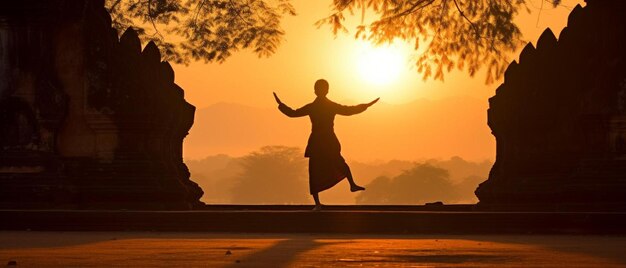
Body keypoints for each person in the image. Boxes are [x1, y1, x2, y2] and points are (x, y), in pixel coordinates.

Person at [273, 79, 379, 211]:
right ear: (325, 90)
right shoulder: (325, 106)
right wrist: (366, 105)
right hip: (324, 140)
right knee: (333, 164)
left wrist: (280, 104)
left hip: (321, 141)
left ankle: (329, 197)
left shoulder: (315, 107)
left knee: (318, 169)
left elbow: (293, 113)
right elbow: (348, 110)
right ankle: (347, 186)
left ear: (316, 91)